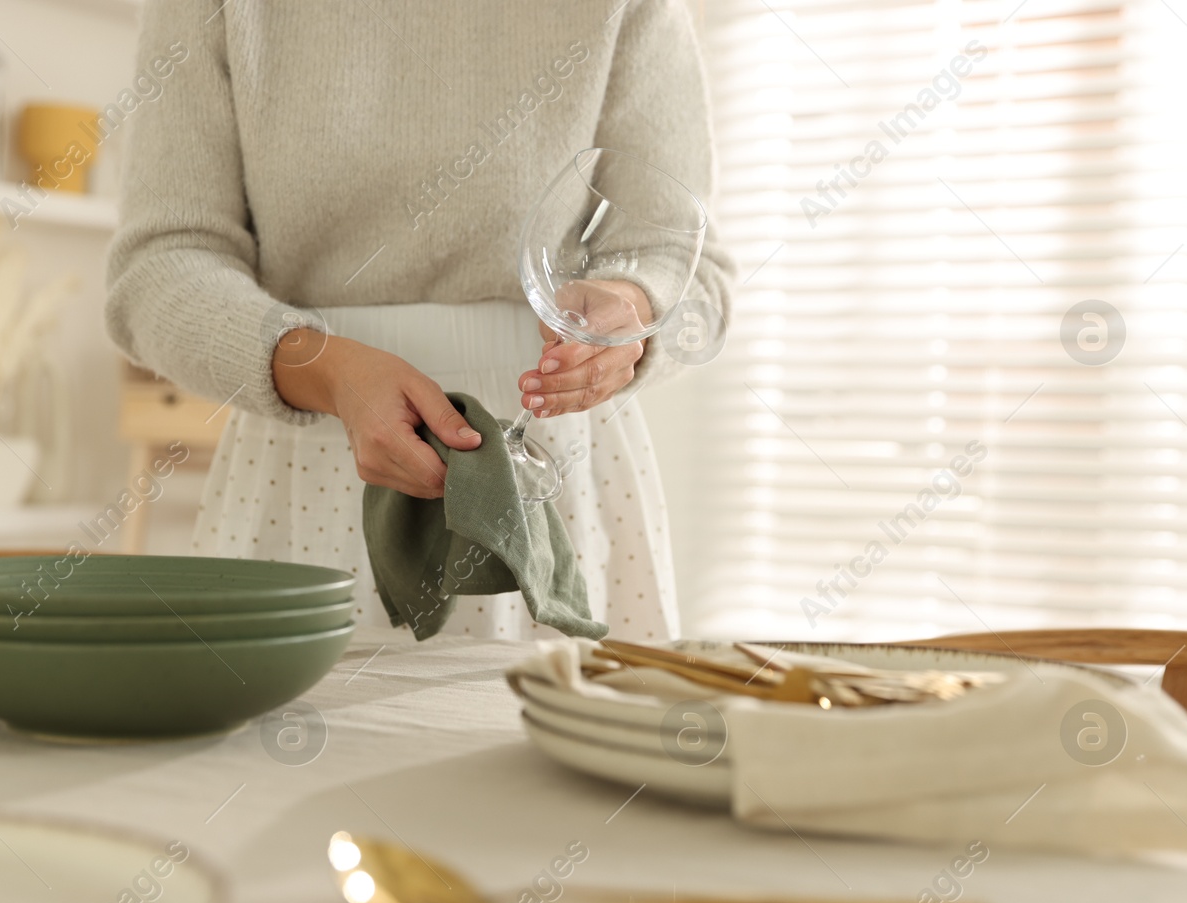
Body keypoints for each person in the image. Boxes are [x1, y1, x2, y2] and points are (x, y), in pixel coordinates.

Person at [106, 0, 732, 640]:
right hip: (307, 462)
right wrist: (326, 370)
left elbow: (695, 276)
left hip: (554, 464)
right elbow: (158, 267)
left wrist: (631, 308)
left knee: (562, 733)